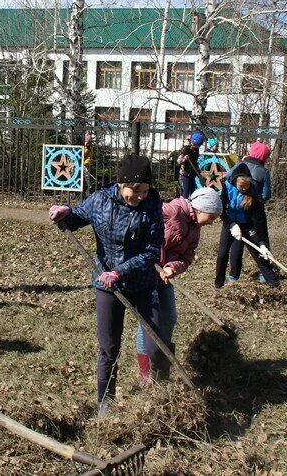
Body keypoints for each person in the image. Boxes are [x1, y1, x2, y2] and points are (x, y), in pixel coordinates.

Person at [48, 154, 163, 415]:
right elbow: (77, 217)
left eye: (145, 191)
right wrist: (64, 214)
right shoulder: (101, 200)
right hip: (107, 286)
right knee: (108, 348)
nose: (140, 196)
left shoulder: (153, 207)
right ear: (121, 184)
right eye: (135, 190)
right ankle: (105, 403)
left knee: (157, 341)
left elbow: (151, 252)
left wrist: (120, 272)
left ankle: (158, 395)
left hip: (141, 283)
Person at [136, 186, 221, 384]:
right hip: (146, 272)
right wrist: (149, 258)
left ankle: (161, 365)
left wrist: (172, 267)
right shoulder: (171, 211)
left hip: (165, 276)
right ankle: (146, 374)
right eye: (211, 217)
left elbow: (187, 256)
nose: (212, 222)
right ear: (200, 208)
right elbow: (141, 222)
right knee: (148, 323)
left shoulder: (195, 227)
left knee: (170, 318)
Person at [216, 164, 278, 288]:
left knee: (259, 254)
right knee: (222, 254)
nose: (244, 189)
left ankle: (274, 285)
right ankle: (218, 285)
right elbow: (221, 210)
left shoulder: (254, 193)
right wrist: (232, 224)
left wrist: (262, 243)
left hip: (247, 225)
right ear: (235, 182)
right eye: (241, 186)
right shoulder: (226, 188)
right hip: (230, 224)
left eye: (246, 186)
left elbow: (258, 220)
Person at [175, 132, 204, 200]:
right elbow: (178, 161)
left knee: (193, 193)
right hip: (185, 174)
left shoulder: (196, 150)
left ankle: (192, 208)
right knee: (185, 194)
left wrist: (198, 169)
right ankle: (183, 208)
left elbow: (195, 161)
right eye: (198, 145)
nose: (199, 147)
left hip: (192, 174)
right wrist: (184, 159)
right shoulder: (186, 149)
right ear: (194, 143)